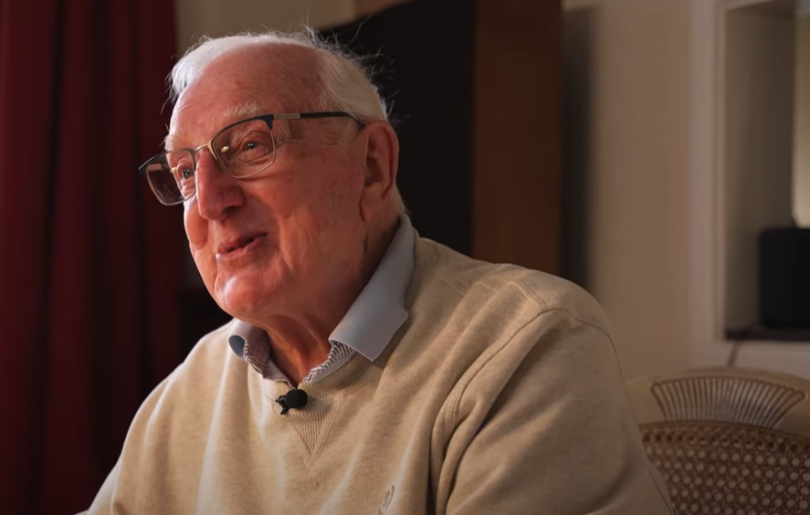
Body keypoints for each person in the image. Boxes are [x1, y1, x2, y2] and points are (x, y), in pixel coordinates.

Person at [84, 30, 671, 515]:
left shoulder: (529, 345)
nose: (209, 203)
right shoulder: (191, 390)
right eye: (185, 172)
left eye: (251, 146)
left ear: (370, 167)